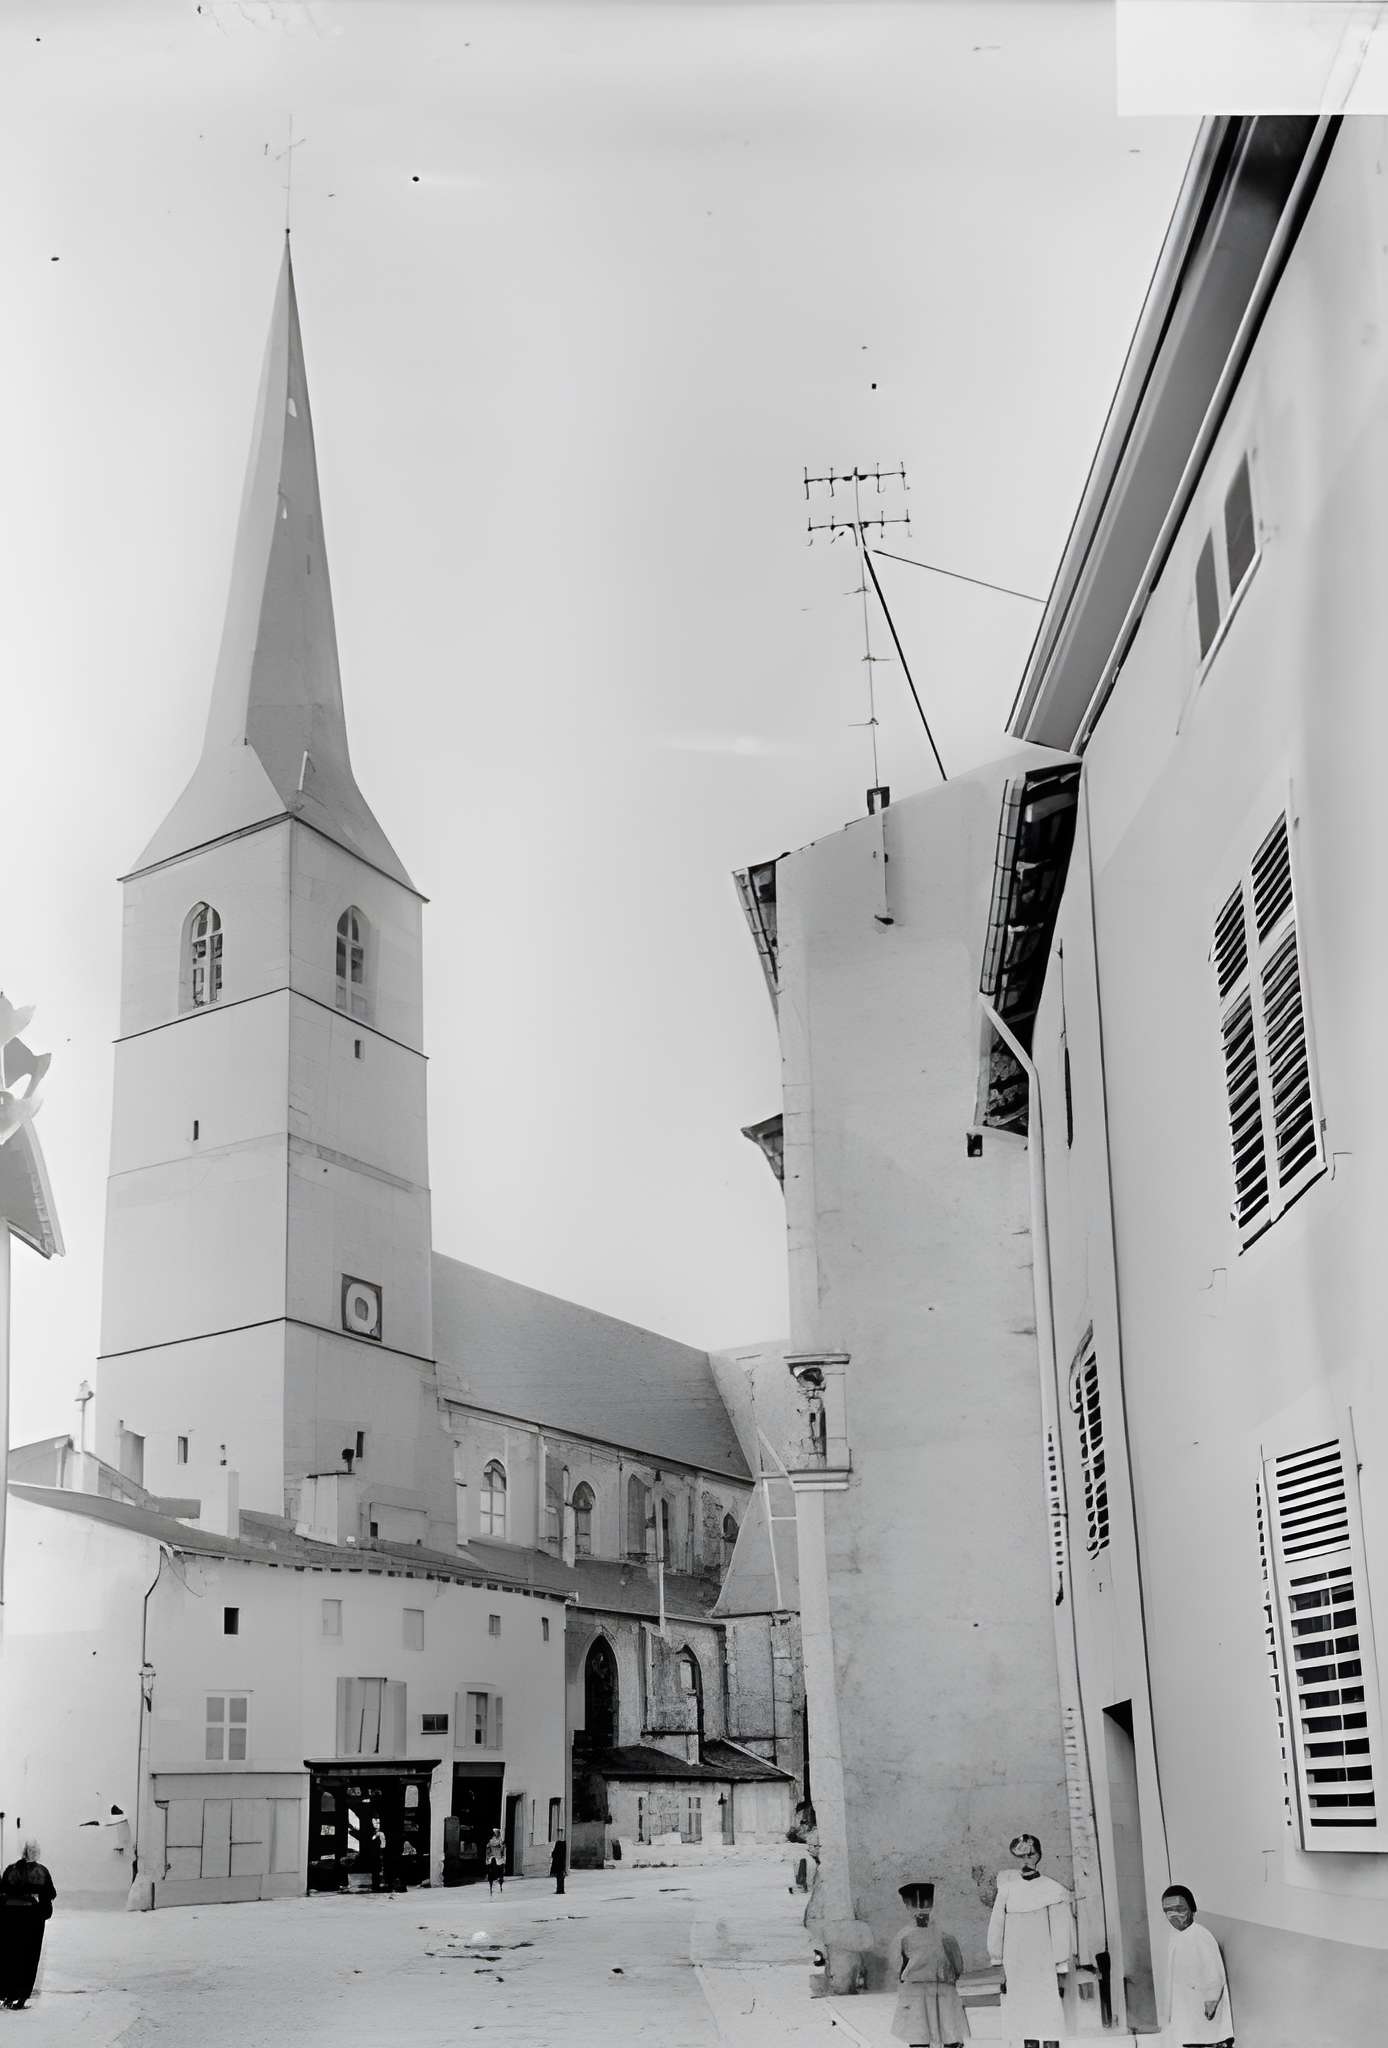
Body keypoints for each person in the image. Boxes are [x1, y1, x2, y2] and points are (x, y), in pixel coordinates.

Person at [986, 1832, 1072, 2048]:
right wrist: (999, 1961)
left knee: (1048, 2016)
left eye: (1030, 1855)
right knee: (1023, 2019)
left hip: (1043, 1963)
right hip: (1016, 1964)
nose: (1025, 1861)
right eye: (1020, 1857)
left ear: (1038, 1856)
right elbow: (997, 1927)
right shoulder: (1007, 1891)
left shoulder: (1053, 1890)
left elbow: (1061, 1930)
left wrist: (1059, 1963)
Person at [891, 1881, 967, 2047]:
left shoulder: (944, 1936)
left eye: (924, 1904)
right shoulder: (905, 1937)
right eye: (916, 1905)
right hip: (919, 1992)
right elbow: (897, 1965)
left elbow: (957, 1965)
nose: (920, 1911)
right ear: (908, 1906)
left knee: (947, 2033)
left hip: (941, 1991)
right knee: (921, 2034)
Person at [1161, 1885, 1233, 2046]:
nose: (1174, 1915)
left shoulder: (1201, 1935)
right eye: (1168, 1911)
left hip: (1205, 2016)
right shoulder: (1177, 1938)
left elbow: (1214, 1974)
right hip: (1188, 2017)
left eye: (1179, 1909)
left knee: (1205, 2039)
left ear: (1191, 1909)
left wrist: (1211, 2002)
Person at [0, 1840, 57, 2010]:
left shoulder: (11, 1869)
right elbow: (50, 1894)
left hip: (10, 1918)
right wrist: (42, 1912)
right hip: (31, 1919)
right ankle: (21, 1998)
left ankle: (8, 1995)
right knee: (29, 1957)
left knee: (10, 1956)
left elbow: (1, 1892)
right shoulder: (41, 1871)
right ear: (36, 1853)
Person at [485, 1828, 506, 1896]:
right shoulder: (494, 1840)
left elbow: (502, 1847)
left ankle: (498, 1878)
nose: (495, 1833)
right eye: (495, 1832)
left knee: (499, 1866)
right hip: (494, 1856)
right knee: (493, 1866)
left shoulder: (498, 1840)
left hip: (497, 1856)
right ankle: (493, 1878)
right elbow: (489, 1846)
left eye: (496, 1832)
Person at [550, 1830, 567, 1895]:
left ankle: (559, 1890)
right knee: (561, 1878)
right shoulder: (563, 1847)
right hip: (561, 1866)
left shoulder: (558, 1846)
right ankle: (560, 1890)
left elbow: (554, 1855)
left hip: (558, 1866)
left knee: (559, 1878)